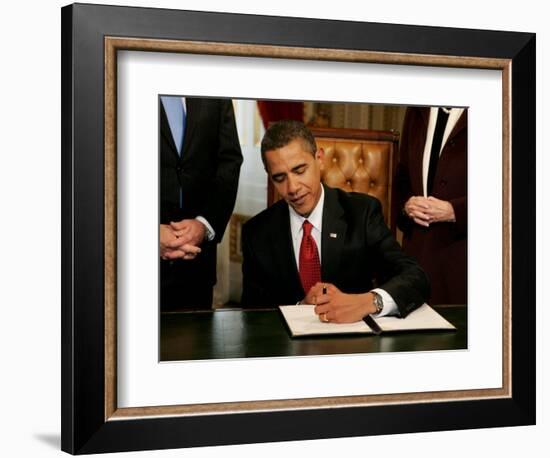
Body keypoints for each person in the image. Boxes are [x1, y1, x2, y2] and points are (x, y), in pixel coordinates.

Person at [241, 120, 429, 323]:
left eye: (299, 170)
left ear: (319, 158)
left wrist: (368, 302)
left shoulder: (362, 213)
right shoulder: (256, 233)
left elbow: (415, 277)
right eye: (279, 178)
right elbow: (252, 317)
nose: (292, 187)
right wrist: (299, 309)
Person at [159, 96, 243, 311]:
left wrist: (204, 225)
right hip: (127, 267)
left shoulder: (212, 86)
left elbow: (229, 161)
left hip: (197, 265)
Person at [395, 106, 467, 305]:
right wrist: (407, 204)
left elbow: (509, 188)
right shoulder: (417, 108)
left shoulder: (495, 103)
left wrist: (456, 211)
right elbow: (403, 174)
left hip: (463, 257)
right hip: (416, 255)